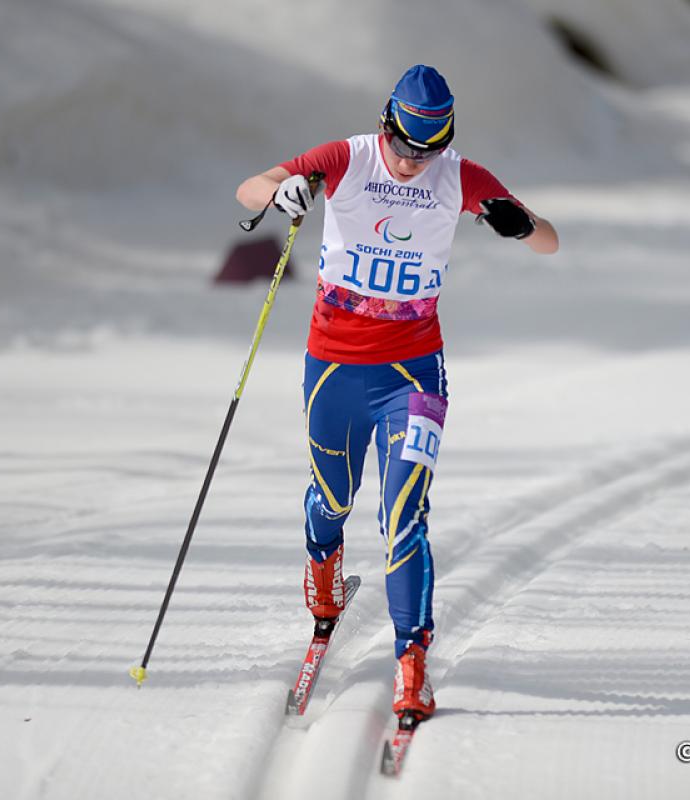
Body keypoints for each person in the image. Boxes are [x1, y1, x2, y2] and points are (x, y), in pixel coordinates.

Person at [236, 65, 558, 722]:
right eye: (406, 147)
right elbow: (250, 188)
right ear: (388, 127)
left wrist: (517, 223)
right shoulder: (348, 158)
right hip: (333, 366)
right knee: (331, 498)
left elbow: (549, 240)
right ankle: (323, 577)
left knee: (405, 515)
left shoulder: (461, 177)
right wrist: (284, 191)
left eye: (428, 151)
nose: (414, 164)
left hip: (413, 372)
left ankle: (413, 664)